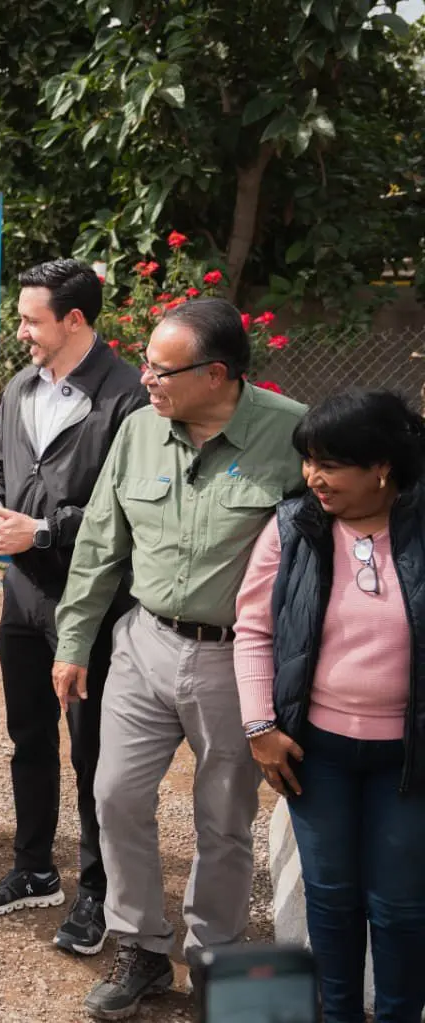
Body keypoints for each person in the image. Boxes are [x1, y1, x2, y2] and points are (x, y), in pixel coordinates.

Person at [49, 298, 306, 1019]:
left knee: (223, 817)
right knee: (115, 795)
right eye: (146, 365)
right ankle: (140, 946)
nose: (145, 379)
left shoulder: (292, 434)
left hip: (234, 660)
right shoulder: (139, 430)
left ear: (216, 374)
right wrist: (75, 641)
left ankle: (215, 956)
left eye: (161, 370)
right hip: (144, 643)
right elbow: (100, 541)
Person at [0, 259, 147, 958]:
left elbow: (125, 507)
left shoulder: (128, 397)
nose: (21, 332)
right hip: (22, 599)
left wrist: (41, 530)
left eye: (30, 320)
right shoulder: (19, 387)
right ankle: (35, 869)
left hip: (92, 604)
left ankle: (98, 892)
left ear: (74, 320)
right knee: (30, 739)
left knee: (93, 752)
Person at [234, 390, 425, 1022]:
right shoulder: (295, 528)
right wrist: (260, 726)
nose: (313, 476)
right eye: (309, 460)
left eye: (331, 464)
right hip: (316, 755)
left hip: (410, 759)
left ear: (382, 467)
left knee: (401, 907)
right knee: (332, 900)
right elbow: (254, 629)